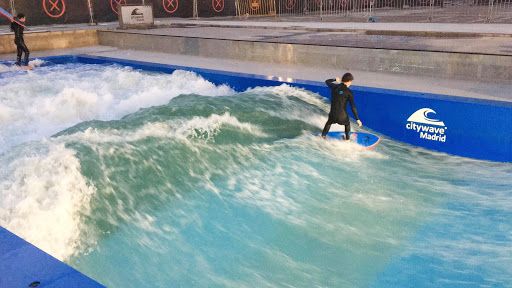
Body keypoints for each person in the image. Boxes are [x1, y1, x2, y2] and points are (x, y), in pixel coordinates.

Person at [321, 73, 362, 140]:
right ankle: (347, 140)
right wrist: (357, 119)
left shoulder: (334, 87)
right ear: (349, 81)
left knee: (329, 122)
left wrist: (334, 79)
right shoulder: (349, 92)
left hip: (333, 115)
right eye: (351, 82)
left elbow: (327, 81)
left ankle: (323, 136)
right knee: (347, 124)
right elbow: (353, 107)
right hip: (342, 117)